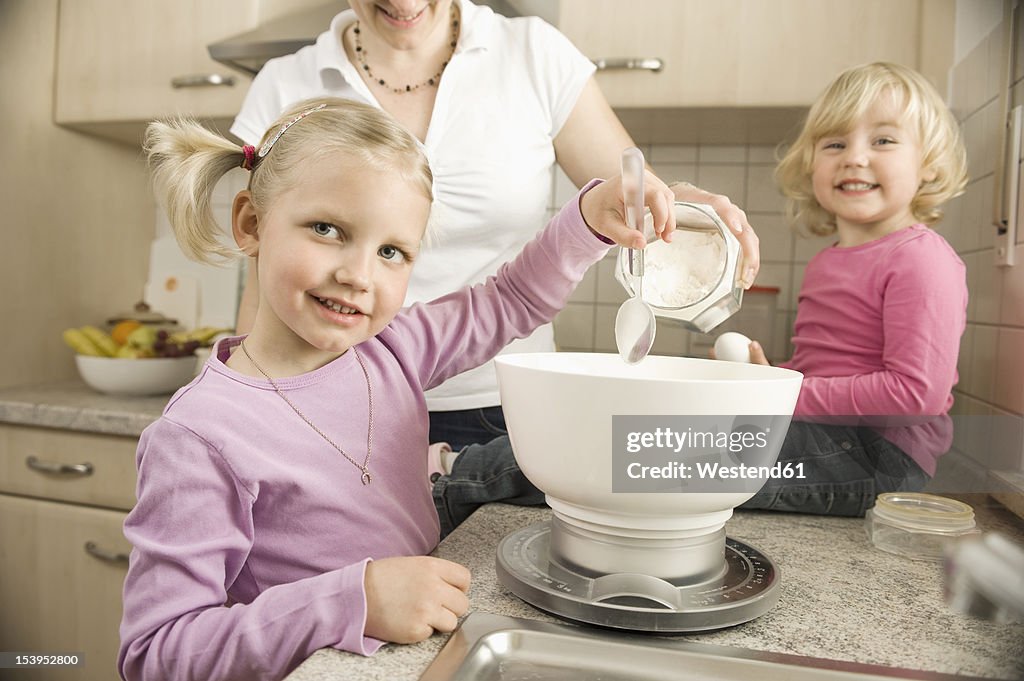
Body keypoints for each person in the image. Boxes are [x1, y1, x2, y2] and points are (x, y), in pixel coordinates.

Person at [118, 97, 677, 681]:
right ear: (251, 223)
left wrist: (587, 219)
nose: (359, 276)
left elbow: (511, 299)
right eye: (327, 229)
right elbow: (155, 653)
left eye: (391, 252)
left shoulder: (391, 352)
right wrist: (351, 600)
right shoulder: (199, 436)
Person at [230, 0, 762, 453]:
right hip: (328, 404)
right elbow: (262, 286)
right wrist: (244, 407)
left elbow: (622, 204)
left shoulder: (533, 54)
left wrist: (678, 204)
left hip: (506, 409)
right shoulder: (285, 83)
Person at [732, 62, 968, 516]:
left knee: (673, 455)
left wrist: (787, 396)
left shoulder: (921, 258)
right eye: (835, 143)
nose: (854, 157)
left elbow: (917, 395)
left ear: (928, 165)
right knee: (674, 441)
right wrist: (774, 379)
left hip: (877, 456)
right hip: (834, 439)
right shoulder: (828, 260)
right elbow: (825, 369)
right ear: (811, 165)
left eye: (883, 140)